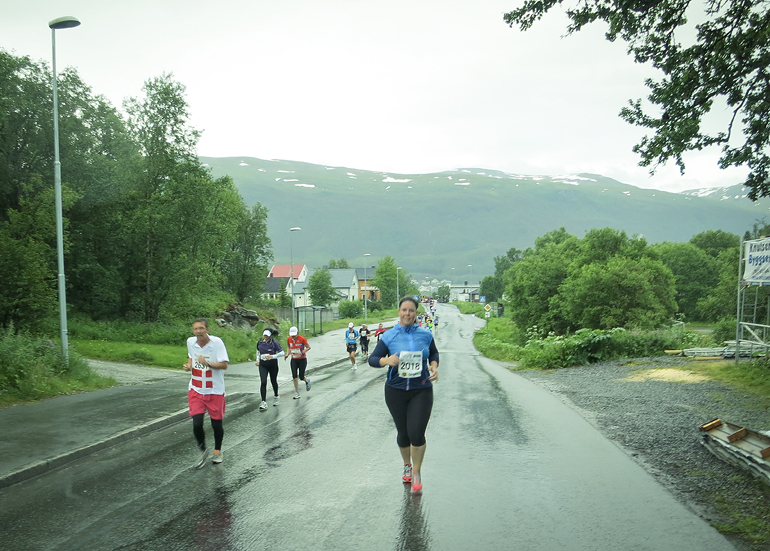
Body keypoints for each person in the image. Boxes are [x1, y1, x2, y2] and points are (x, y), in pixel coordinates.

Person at [368, 296, 439, 495]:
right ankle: (406, 465)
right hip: (395, 390)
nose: (407, 314)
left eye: (411, 310)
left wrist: (434, 366)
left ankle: (416, 472)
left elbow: (434, 354)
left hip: (421, 389)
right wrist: (386, 360)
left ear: (416, 313)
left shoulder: (425, 334)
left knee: (417, 433)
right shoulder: (389, 336)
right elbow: (372, 359)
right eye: (404, 310)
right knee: (403, 433)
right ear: (399, 312)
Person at [183, 318, 230, 467]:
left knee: (216, 424)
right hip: (196, 389)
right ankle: (203, 449)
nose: (198, 331)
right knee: (197, 423)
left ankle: (217, 451)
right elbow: (191, 355)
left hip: (214, 390)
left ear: (207, 330)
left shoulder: (217, 343)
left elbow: (224, 364)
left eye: (201, 328)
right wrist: (189, 365)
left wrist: (208, 364)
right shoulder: (191, 342)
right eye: (196, 329)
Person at [256, 328, 284, 411]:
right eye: (264, 335)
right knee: (263, 382)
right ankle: (263, 402)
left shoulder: (274, 343)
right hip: (263, 364)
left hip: (272, 365)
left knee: (273, 381)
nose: (265, 337)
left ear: (270, 336)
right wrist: (257, 359)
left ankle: (276, 396)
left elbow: (282, 353)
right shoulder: (260, 342)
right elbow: (258, 351)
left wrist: (273, 356)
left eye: (267, 336)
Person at [285, 326, 311, 399]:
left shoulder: (302, 339)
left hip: (302, 359)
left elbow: (308, 347)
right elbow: (289, 347)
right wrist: (287, 354)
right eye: (292, 336)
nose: (293, 337)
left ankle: (306, 380)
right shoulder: (289, 339)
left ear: (297, 333)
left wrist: (302, 352)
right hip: (294, 359)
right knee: (294, 377)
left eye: (295, 336)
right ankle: (297, 392)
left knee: (301, 376)